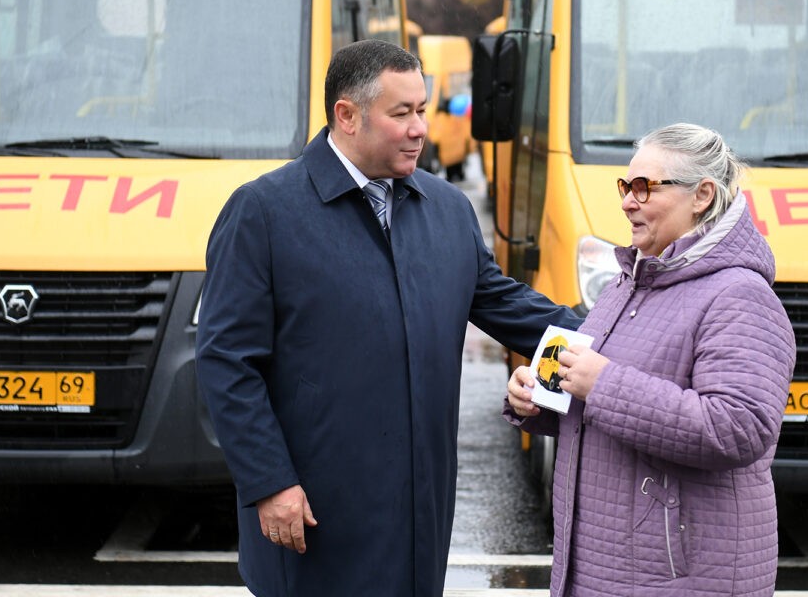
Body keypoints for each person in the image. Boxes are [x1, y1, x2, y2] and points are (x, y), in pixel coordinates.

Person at [195, 38, 580, 597]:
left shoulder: (447, 210)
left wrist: (628, 329)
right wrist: (269, 482)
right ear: (346, 115)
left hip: (418, 518)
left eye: (422, 109)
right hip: (313, 518)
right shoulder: (264, 212)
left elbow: (509, 306)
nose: (420, 128)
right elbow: (227, 362)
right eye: (401, 114)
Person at [506, 122, 796, 597]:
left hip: (679, 578)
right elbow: (601, 404)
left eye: (644, 187)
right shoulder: (632, 279)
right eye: (626, 186)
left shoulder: (741, 296)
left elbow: (738, 428)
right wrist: (541, 399)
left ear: (702, 195)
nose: (627, 201)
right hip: (607, 568)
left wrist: (602, 384)